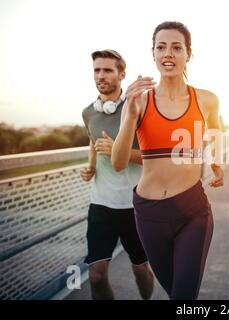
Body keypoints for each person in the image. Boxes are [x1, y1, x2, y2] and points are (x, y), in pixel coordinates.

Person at [111, 21, 224, 300]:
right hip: (149, 214)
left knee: (184, 298)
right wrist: (129, 115)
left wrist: (215, 161)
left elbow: (217, 133)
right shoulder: (139, 101)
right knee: (175, 293)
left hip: (192, 211)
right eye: (161, 47)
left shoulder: (207, 100)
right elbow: (118, 162)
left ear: (188, 54)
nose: (168, 54)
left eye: (176, 47)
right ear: (153, 53)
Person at [80, 49, 154, 300]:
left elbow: (155, 155)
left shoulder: (138, 108)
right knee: (96, 276)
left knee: (141, 270)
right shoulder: (88, 112)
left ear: (122, 74)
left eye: (108, 70)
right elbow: (92, 142)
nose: (101, 75)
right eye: (97, 70)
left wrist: (118, 151)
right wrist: (90, 166)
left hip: (136, 205)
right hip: (101, 204)